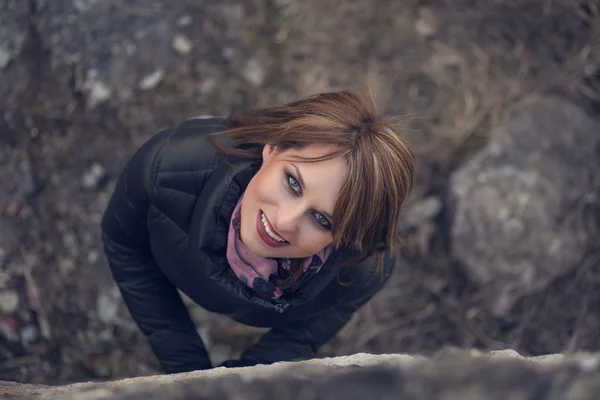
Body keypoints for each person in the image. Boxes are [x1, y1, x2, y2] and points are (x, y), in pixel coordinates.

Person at [100, 89, 415, 374]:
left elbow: (301, 335)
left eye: (322, 220)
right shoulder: (166, 168)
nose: (284, 222)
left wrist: (242, 380)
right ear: (273, 148)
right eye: (292, 183)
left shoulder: (362, 268)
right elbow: (125, 245)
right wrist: (186, 368)